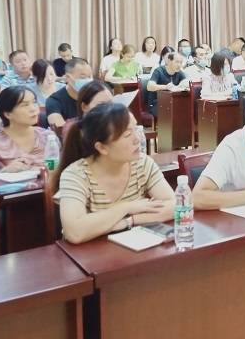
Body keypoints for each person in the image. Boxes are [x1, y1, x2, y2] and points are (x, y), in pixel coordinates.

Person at [53, 103, 174, 244]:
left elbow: (176, 206)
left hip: (135, 247)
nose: (137, 139)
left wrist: (130, 220)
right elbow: (75, 232)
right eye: (127, 135)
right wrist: (127, 207)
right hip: (92, 254)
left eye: (136, 129)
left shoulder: (142, 163)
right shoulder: (76, 175)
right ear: (102, 148)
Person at [0, 86, 57, 173]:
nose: (33, 109)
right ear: (8, 114)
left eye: (34, 102)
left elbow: (59, 169)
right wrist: (5, 172)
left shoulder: (47, 137)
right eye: (25, 105)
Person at [46, 58, 93, 129]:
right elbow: (60, 129)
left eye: (89, 77)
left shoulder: (95, 96)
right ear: (68, 77)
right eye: (83, 77)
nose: (87, 81)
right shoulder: (54, 100)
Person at [146, 52, 188, 117]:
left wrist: (183, 84)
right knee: (174, 111)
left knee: (185, 108)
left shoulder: (179, 72)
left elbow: (185, 82)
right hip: (157, 103)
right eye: (177, 62)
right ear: (169, 61)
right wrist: (166, 87)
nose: (179, 65)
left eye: (181, 62)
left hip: (171, 102)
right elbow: (149, 87)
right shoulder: (159, 71)